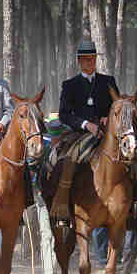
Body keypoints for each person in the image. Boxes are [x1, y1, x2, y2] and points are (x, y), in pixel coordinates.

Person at [53, 39, 119, 230]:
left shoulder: (108, 81)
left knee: (132, 158)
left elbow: (117, 106)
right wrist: (85, 124)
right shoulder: (70, 85)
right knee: (68, 160)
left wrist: (108, 117)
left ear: (95, 59)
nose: (89, 62)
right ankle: (62, 207)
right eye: (84, 59)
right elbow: (64, 114)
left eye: (91, 58)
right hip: (80, 134)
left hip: (107, 133)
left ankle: (136, 206)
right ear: (79, 61)